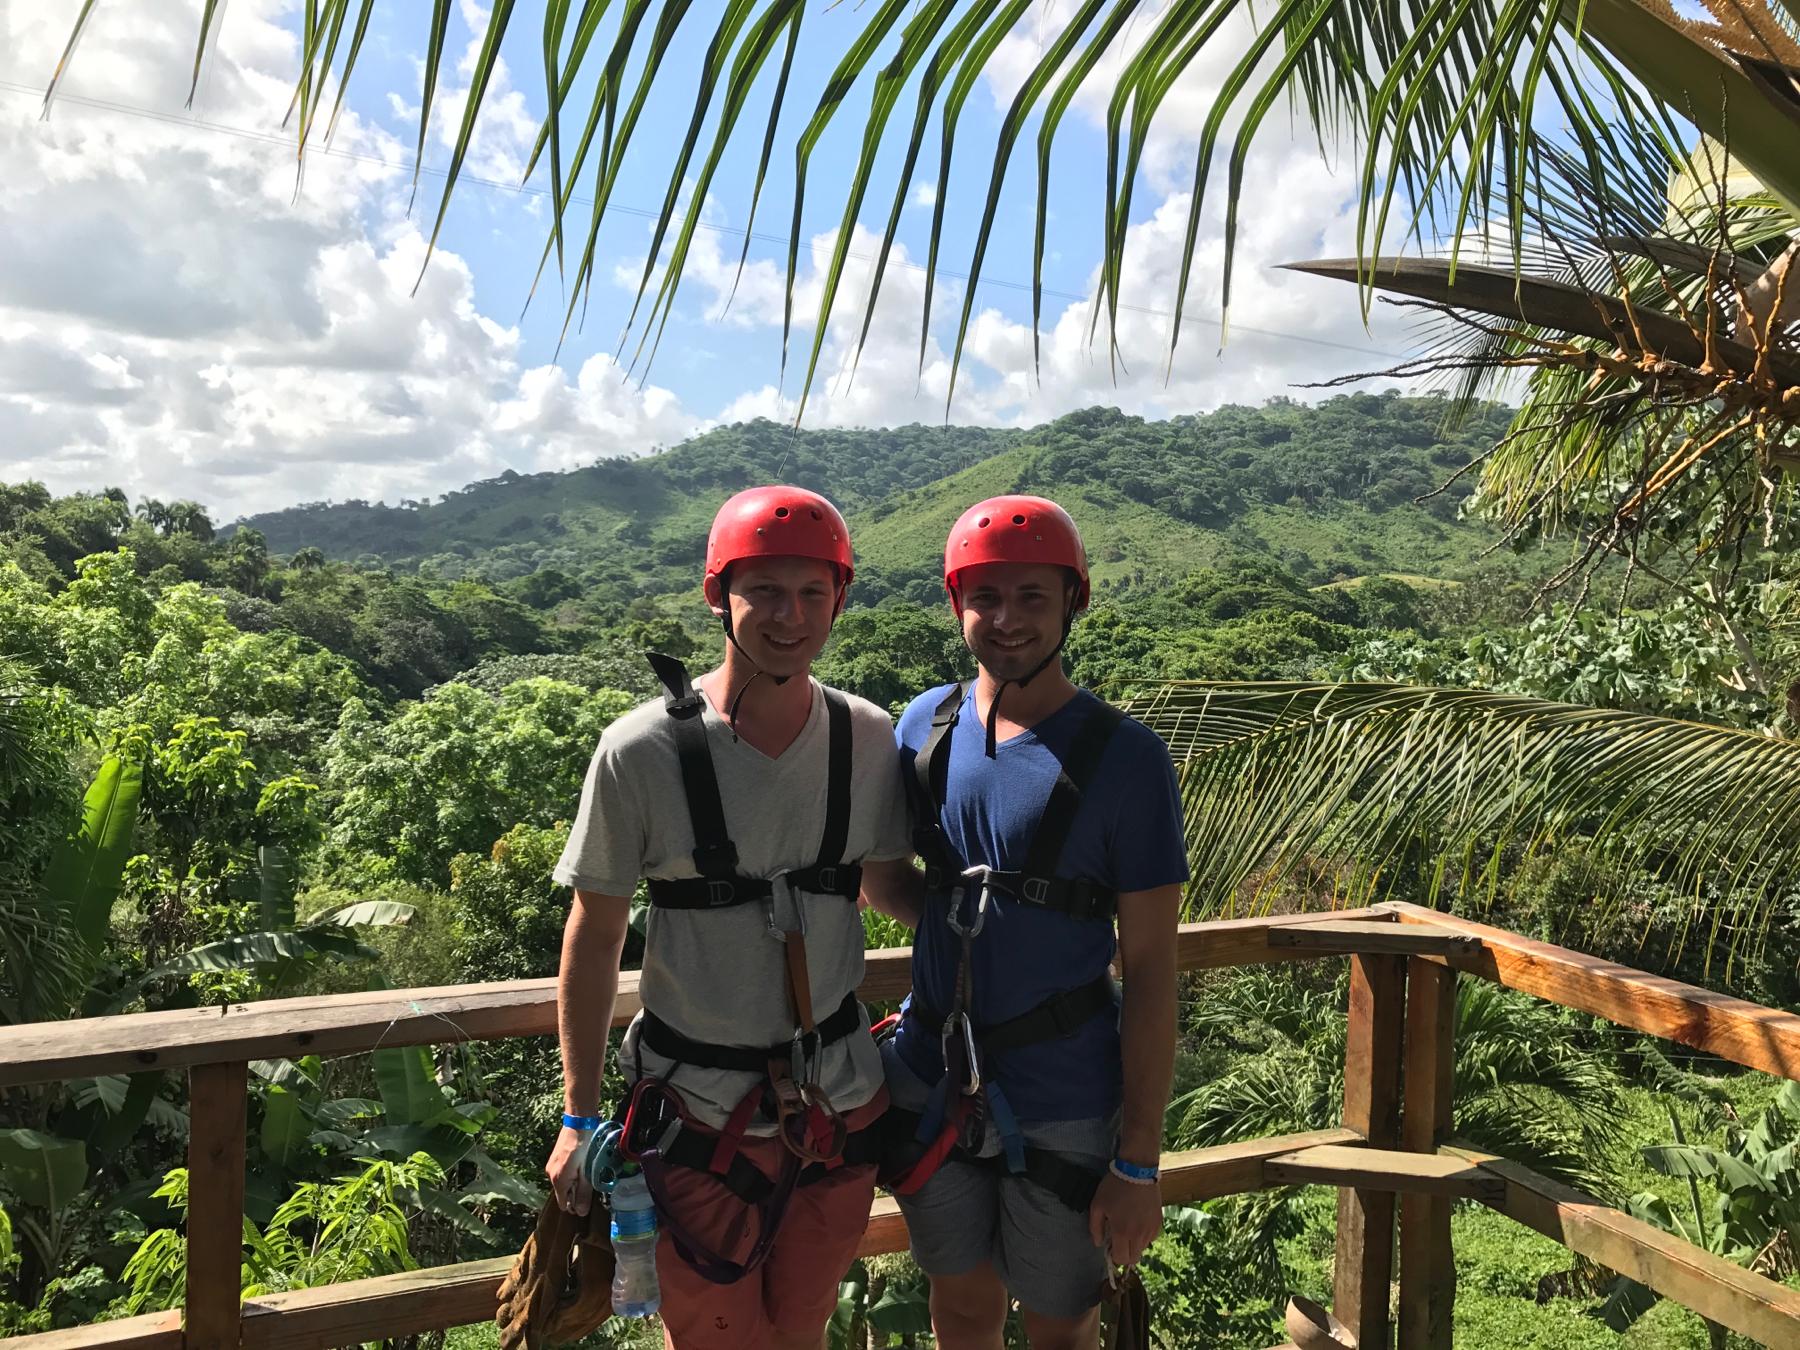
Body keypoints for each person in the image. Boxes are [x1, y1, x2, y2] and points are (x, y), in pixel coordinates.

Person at [546, 485, 910, 1350]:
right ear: (719, 595)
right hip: (697, 1113)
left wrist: (1015, 935)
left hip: (836, 1103)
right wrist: (577, 1113)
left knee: (801, 1326)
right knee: (712, 1334)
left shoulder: (866, 738)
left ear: (840, 601)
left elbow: (889, 885)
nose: (791, 616)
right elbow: (594, 934)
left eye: (813, 594)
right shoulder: (640, 751)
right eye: (766, 593)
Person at [863, 495, 1188, 1350]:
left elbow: (1153, 969)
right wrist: (962, 928)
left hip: (1065, 1091)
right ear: (956, 603)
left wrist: (1139, 1162)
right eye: (987, 598)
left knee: (1059, 1321)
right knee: (960, 1303)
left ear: (1073, 602)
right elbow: (885, 876)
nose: (1007, 620)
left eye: (1033, 598)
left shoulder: (1126, 758)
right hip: (933, 1076)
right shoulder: (925, 728)